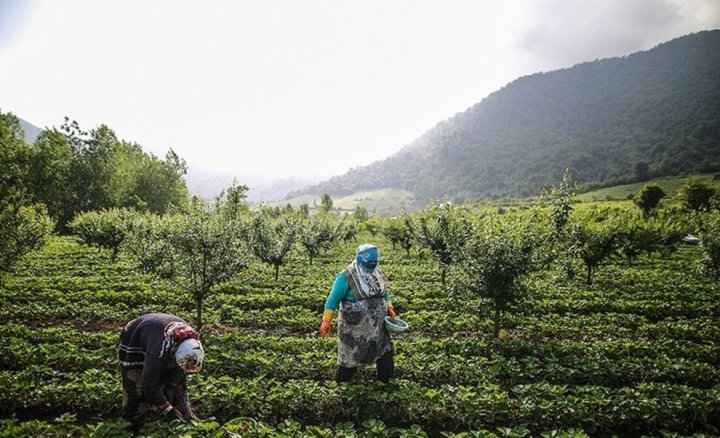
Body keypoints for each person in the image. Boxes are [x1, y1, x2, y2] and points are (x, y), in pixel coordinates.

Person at [319, 243, 397, 383]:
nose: (371, 266)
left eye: (374, 263)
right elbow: (333, 299)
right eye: (369, 263)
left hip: (378, 328)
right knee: (350, 358)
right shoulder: (346, 276)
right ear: (360, 259)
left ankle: (388, 384)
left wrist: (389, 306)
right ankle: (341, 385)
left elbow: (384, 293)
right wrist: (326, 321)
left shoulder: (376, 272)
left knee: (385, 354)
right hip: (355, 331)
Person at [118, 312, 204, 430]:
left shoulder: (191, 343)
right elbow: (148, 384)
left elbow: (180, 368)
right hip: (137, 333)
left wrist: (171, 385)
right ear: (174, 353)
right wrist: (167, 410)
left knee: (176, 384)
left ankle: (183, 414)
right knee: (136, 384)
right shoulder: (158, 351)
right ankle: (132, 424)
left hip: (158, 333)